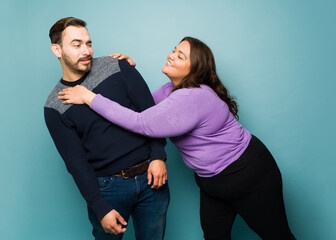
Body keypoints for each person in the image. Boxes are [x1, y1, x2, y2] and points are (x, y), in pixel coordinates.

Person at [58, 37, 296, 240]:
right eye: (174, 50)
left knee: (277, 235)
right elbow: (140, 109)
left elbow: (141, 123)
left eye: (180, 56)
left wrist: (89, 97)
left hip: (248, 176)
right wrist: (121, 70)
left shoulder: (193, 97)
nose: (171, 56)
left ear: (195, 69)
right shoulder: (169, 91)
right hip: (212, 182)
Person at [44, 17, 170, 240]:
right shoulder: (55, 106)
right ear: (57, 50)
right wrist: (100, 208)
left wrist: (159, 157)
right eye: (76, 44)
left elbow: (151, 114)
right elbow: (76, 164)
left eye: (89, 43)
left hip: (151, 178)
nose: (86, 51)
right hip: (108, 189)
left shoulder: (118, 66)